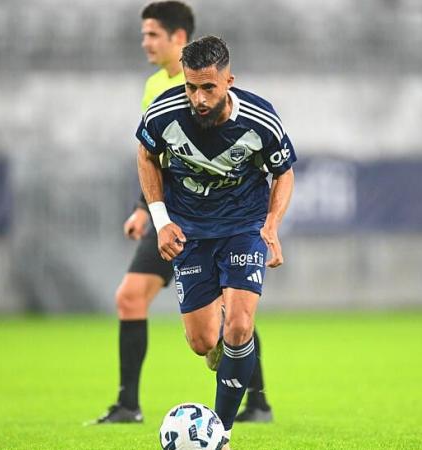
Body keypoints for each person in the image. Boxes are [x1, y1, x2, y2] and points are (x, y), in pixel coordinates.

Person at [93, 2, 273, 425]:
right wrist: (148, 211)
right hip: (173, 220)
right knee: (133, 299)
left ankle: (255, 400)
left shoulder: (214, 91)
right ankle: (128, 403)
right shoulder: (157, 88)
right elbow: (156, 155)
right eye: (143, 34)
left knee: (237, 312)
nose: (145, 43)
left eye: (152, 34)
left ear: (180, 39)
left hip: (222, 220)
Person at [136, 35, 295, 448]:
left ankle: (220, 433)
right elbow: (146, 154)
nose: (199, 98)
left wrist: (272, 224)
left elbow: (284, 171)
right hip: (190, 230)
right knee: (203, 341)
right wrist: (161, 220)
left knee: (240, 326)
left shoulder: (260, 119)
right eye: (191, 86)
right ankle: (222, 345)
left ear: (229, 81)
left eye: (208, 87)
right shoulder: (165, 113)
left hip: (244, 224)